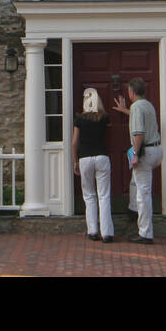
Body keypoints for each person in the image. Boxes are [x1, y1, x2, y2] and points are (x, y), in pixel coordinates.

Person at [113, 77, 162, 244]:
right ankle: (133, 209)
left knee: (143, 194)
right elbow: (141, 119)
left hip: (145, 151)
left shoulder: (136, 107)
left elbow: (139, 133)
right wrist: (125, 110)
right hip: (156, 149)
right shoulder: (147, 105)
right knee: (136, 183)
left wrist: (135, 153)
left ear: (131, 92)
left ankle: (145, 233)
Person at [71, 87, 113, 243]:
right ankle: (107, 233)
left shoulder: (79, 119)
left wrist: (75, 161)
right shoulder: (104, 118)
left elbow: (75, 142)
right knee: (104, 195)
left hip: (85, 158)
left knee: (89, 196)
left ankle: (93, 230)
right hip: (102, 157)